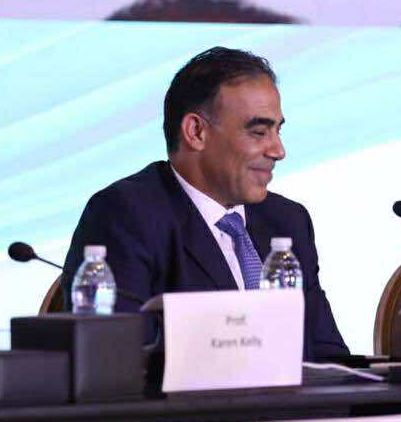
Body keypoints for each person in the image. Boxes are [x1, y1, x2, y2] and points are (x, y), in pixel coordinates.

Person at [61, 47, 349, 358]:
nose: (278, 151)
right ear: (196, 132)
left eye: (277, 131)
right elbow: (114, 357)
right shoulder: (126, 215)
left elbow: (328, 353)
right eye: (258, 132)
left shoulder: (287, 220)